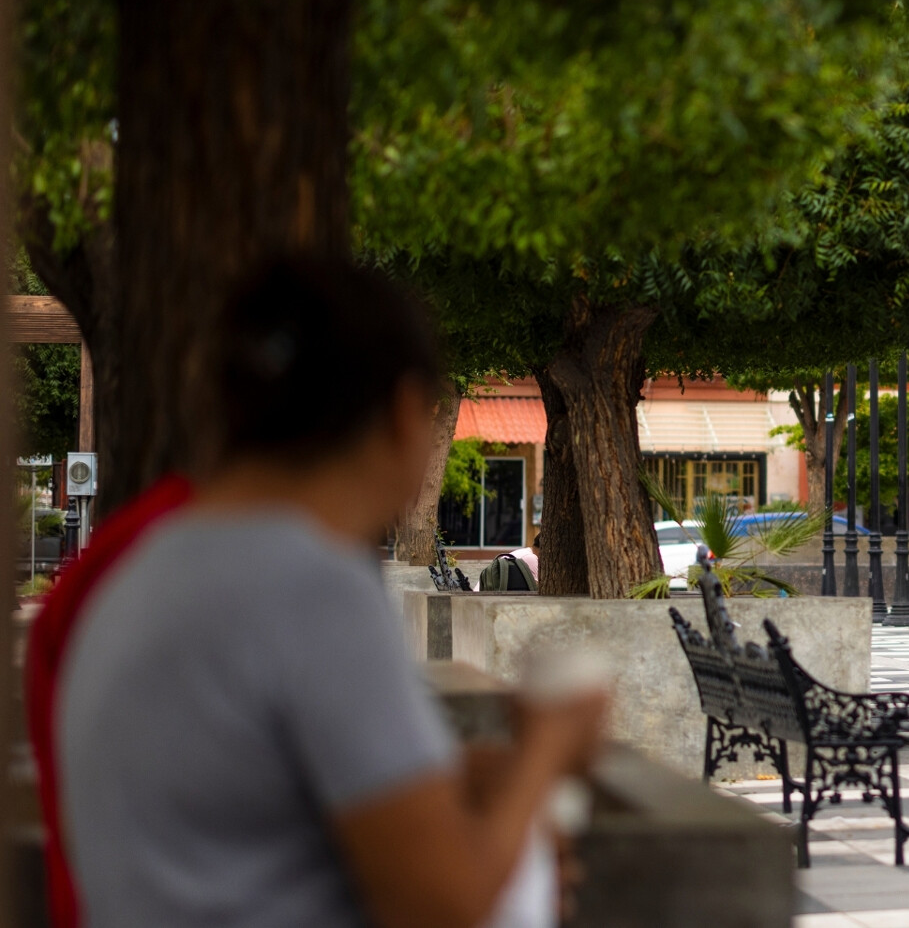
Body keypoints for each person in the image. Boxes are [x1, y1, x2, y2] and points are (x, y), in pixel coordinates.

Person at [55, 258, 605, 928]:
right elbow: (446, 904)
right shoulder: (309, 586)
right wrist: (548, 747)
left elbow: (256, 785)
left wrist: (482, 773)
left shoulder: (145, 569)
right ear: (406, 411)